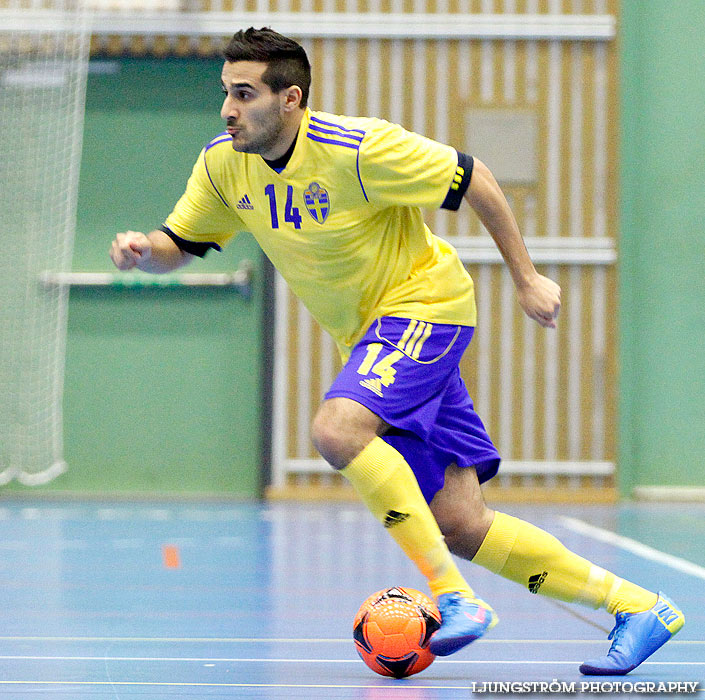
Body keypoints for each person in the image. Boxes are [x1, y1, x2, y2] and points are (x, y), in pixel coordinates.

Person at [109, 27, 684, 673]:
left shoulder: (359, 149)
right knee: (463, 524)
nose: (227, 109)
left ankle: (453, 598)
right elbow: (179, 244)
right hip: (376, 338)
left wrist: (526, 278)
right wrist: (142, 254)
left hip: (423, 310)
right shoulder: (222, 163)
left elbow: (475, 179)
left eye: (244, 94)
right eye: (225, 93)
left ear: (291, 97)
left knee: (337, 428)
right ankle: (639, 607)